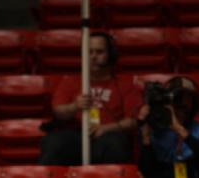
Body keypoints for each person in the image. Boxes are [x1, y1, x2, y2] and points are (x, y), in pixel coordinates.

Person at [106, 77, 199, 178]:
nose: (179, 108)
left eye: (184, 104)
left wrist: (178, 128)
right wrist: (146, 136)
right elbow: (146, 170)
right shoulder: (155, 130)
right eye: (176, 103)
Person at [39, 31, 140, 166]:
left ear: (110, 55)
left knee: (115, 143)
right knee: (53, 142)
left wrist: (104, 128)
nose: (93, 56)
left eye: (99, 52)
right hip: (77, 136)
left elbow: (133, 120)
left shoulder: (125, 84)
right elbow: (58, 111)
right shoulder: (70, 81)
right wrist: (74, 106)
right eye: (89, 52)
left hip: (109, 134)